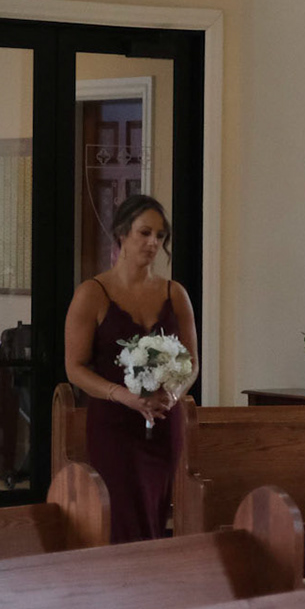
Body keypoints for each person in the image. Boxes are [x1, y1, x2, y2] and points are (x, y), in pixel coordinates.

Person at [65, 193, 199, 541]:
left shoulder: (175, 294)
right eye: (145, 233)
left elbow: (191, 363)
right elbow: (74, 367)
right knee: (124, 516)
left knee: (155, 511)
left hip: (163, 425)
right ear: (122, 234)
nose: (153, 242)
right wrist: (122, 395)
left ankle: (151, 572)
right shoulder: (92, 293)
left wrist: (173, 394)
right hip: (114, 426)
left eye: (160, 235)